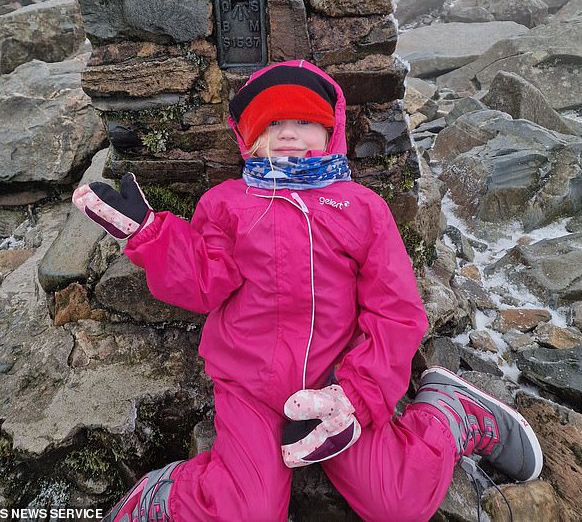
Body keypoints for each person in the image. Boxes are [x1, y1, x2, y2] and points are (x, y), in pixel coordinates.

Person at [73, 60, 543, 522]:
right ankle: (166, 493)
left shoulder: (362, 208)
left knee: (397, 502)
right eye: (273, 122)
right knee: (249, 513)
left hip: (334, 386)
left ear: (331, 131)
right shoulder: (227, 203)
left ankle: (450, 414)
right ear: (251, 138)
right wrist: (152, 236)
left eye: (304, 121)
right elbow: (203, 285)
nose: (288, 132)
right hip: (248, 388)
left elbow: (396, 313)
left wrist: (354, 397)